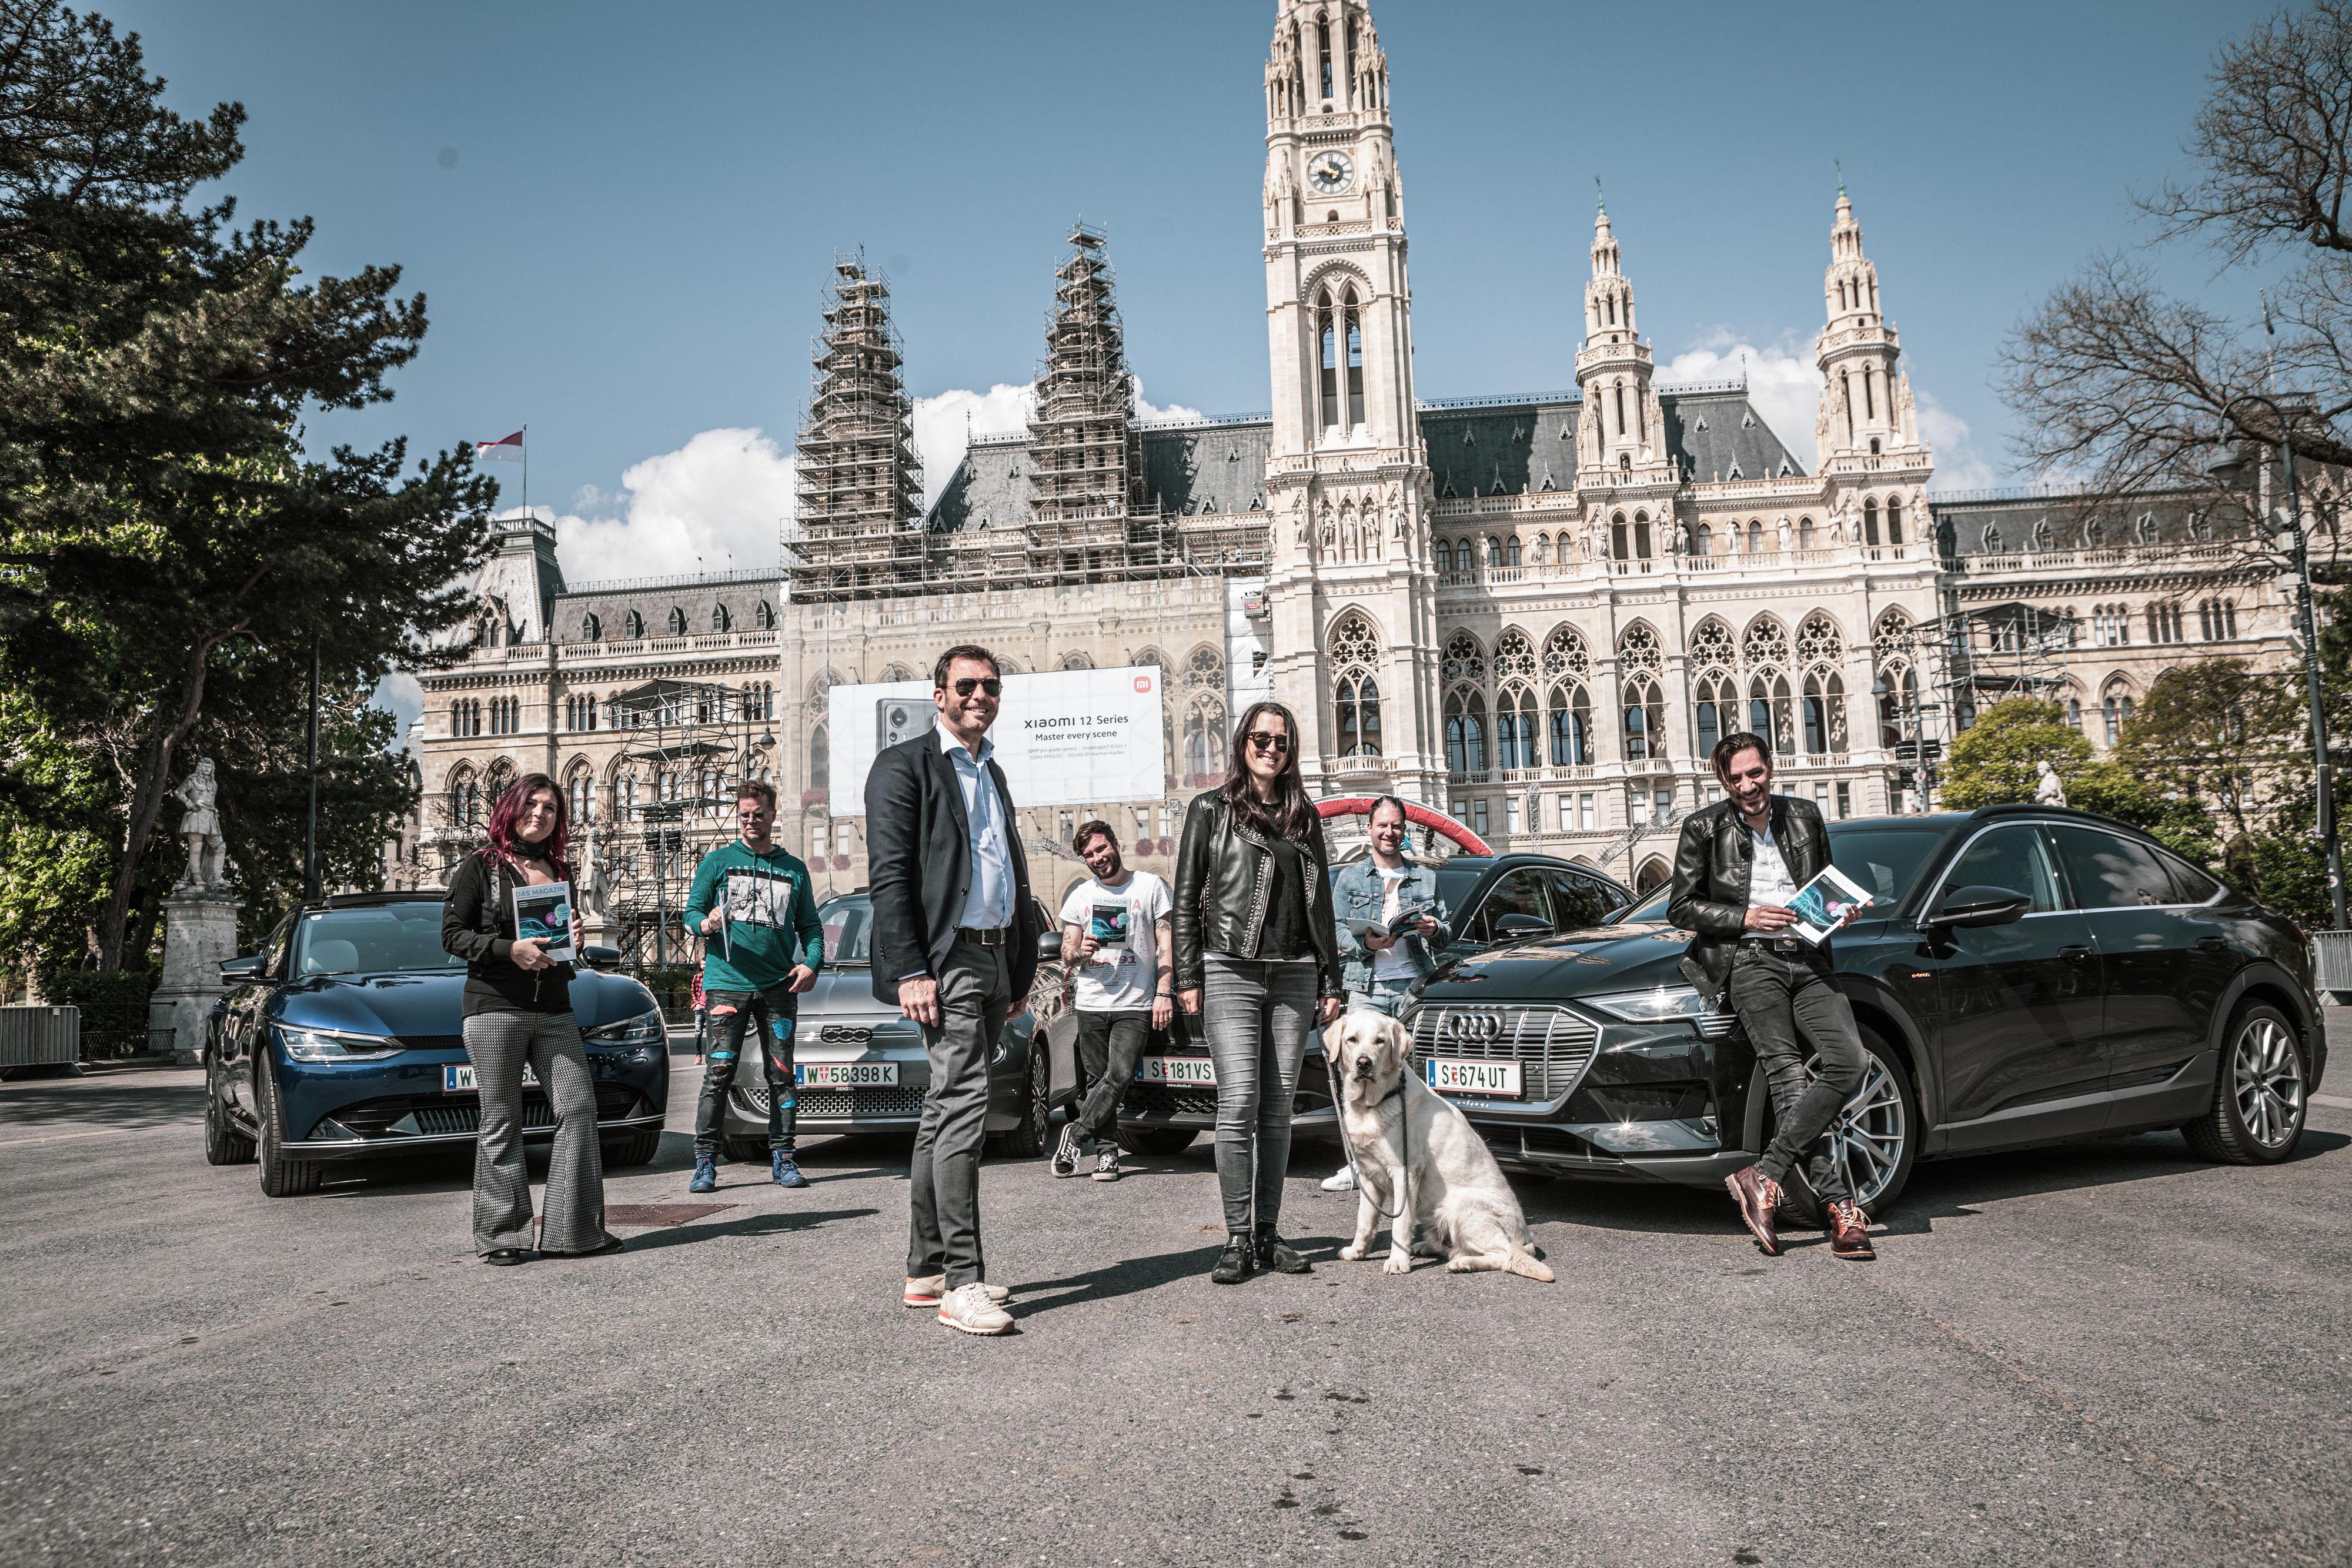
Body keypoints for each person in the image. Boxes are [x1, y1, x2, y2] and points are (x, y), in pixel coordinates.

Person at [866, 644, 1040, 1335]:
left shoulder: (991, 770)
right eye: (966, 685)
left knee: (943, 1110)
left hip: (995, 958)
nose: (979, 696)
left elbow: (1008, 871)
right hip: (948, 961)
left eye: (990, 686)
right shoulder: (904, 766)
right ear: (938, 696)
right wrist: (911, 968)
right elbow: (890, 875)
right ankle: (962, 1282)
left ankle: (926, 1270)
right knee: (965, 1106)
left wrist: (1019, 970)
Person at [1667, 731, 1875, 1262]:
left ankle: (1764, 1174)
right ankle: (1842, 1210)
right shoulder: (1704, 827)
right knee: (1787, 1078)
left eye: (1754, 773)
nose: (1747, 786)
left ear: (1771, 768)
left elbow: (1824, 885)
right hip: (1749, 959)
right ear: (1723, 781)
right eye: (1735, 778)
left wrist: (1841, 912)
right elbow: (1681, 907)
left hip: (1808, 956)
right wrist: (1747, 917)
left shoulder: (1804, 815)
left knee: (1849, 1062)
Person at [1172, 700, 1345, 1285]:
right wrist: (1187, 976)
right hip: (1230, 969)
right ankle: (1237, 1237)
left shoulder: (1304, 815)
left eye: (1281, 741)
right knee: (1239, 1100)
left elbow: (1321, 905)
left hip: (1295, 973)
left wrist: (1330, 978)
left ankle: (1268, 1233)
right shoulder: (1210, 810)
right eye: (1261, 738)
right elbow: (1186, 897)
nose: (1270, 749)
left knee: (1277, 1109)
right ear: (1242, 741)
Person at [439, 773, 619, 1265]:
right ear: (512, 808)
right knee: (502, 1119)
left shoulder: (560, 870)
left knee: (578, 1109)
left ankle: (572, 1231)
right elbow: (452, 934)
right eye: (532, 804)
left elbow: (560, 939)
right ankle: (504, 1234)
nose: (540, 814)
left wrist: (575, 937)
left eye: (550, 807)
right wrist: (508, 949)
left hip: (554, 1007)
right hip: (495, 1006)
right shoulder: (481, 865)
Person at [681, 780, 824, 1193]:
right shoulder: (718, 862)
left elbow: (811, 927)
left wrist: (812, 964)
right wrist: (706, 923)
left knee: (781, 1074)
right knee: (718, 1074)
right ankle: (705, 1163)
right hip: (727, 984)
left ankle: (785, 1157)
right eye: (744, 814)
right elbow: (690, 914)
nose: (750, 821)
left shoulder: (793, 868)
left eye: (758, 814)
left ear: (772, 815)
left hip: (779, 985)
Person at [1321, 795, 1452, 1192]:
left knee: (1416, 1079)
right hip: (1367, 988)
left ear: (1404, 830)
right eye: (1382, 825)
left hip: (1414, 988)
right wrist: (1366, 945)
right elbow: (1335, 930)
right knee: (1358, 1078)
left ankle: (1418, 1157)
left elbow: (1447, 932)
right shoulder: (1350, 878)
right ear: (1370, 829)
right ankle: (1359, 1164)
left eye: (1396, 826)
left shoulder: (1425, 878)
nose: (1389, 832)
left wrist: (1434, 929)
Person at [1051, 820, 1174, 1183]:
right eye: (1089, 855)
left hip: (1135, 1001)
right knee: (1096, 1081)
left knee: (1119, 1075)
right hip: (1091, 1002)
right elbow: (1067, 952)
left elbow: (1166, 945)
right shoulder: (1081, 895)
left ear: (1116, 845)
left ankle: (1075, 1136)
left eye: (1101, 849)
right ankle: (1107, 1155)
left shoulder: (1150, 886)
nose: (1097, 858)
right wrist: (1081, 951)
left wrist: (1164, 991)